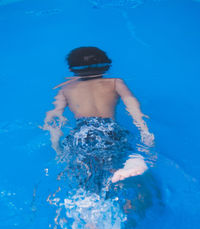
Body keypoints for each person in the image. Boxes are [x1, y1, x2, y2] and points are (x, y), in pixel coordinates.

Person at [42, 46, 154, 184]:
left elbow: (54, 117)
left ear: (72, 70)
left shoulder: (65, 89)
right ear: (107, 66)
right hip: (107, 129)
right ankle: (132, 163)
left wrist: (56, 146)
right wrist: (145, 130)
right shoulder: (115, 82)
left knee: (86, 174)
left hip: (82, 132)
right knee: (117, 158)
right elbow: (132, 106)